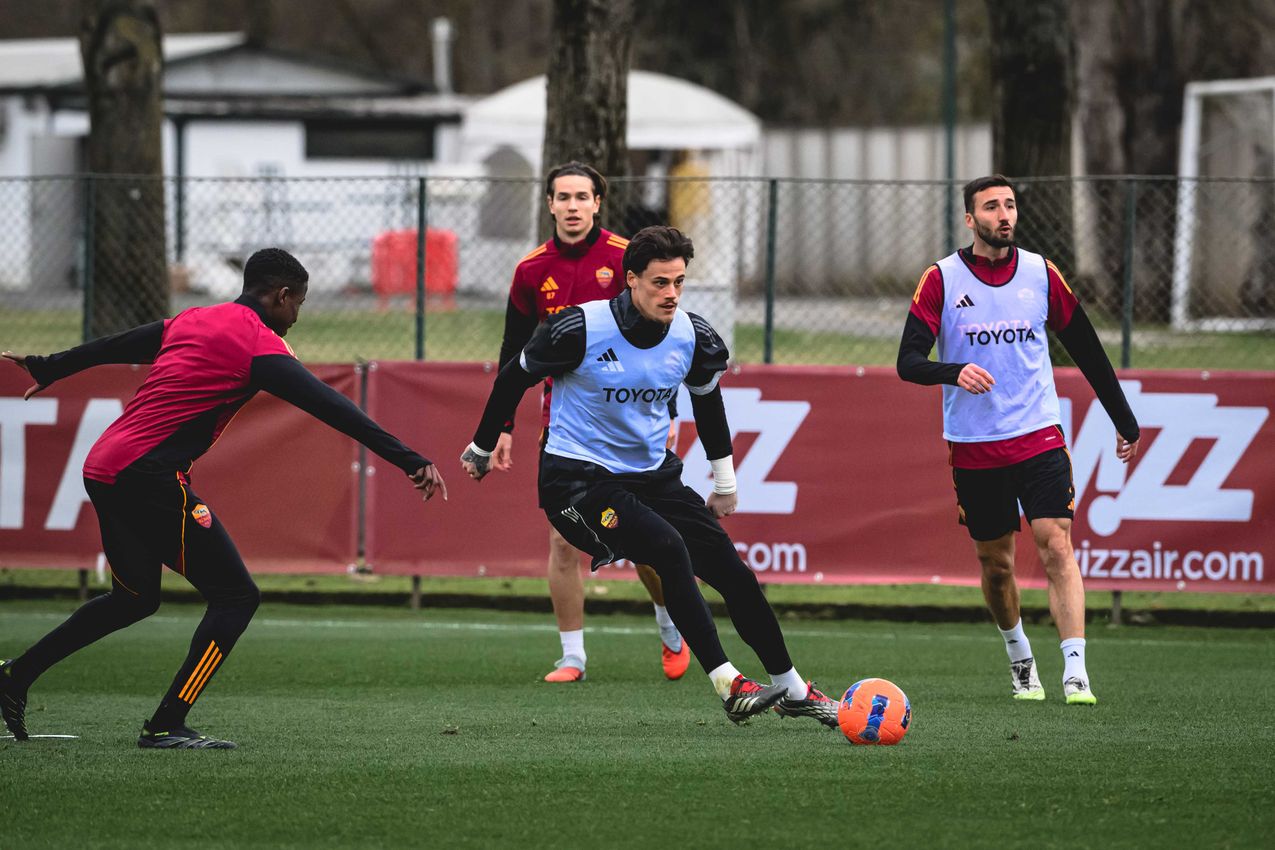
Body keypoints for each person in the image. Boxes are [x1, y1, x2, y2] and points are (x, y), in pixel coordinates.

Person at [0, 248, 446, 748]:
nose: (296, 317)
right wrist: (409, 459)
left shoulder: (194, 319)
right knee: (237, 596)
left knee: (134, 598)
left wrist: (50, 366)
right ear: (281, 296)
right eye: (297, 304)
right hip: (145, 475)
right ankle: (166, 724)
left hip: (104, 466)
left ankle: (16, 675)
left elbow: (120, 344)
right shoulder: (259, 345)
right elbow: (333, 408)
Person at [462, 225, 838, 726]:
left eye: (679, 282)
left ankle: (792, 688)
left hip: (653, 476)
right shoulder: (579, 329)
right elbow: (513, 376)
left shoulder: (692, 336)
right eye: (660, 283)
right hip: (576, 482)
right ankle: (728, 684)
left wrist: (725, 482)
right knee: (666, 547)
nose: (671, 294)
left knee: (735, 574)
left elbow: (709, 405)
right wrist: (482, 445)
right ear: (631, 279)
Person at [897, 175, 1140, 705]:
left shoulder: (1041, 273)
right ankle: (1020, 658)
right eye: (991, 207)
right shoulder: (941, 279)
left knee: (1057, 544)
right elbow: (908, 362)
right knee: (997, 564)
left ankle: (1076, 672)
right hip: (974, 444)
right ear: (970, 219)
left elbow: (1087, 348)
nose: (1004, 215)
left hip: (1039, 435)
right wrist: (953, 371)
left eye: (1009, 205)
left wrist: (1124, 419)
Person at [495, 161, 688, 683]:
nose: (573, 206)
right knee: (564, 537)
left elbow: (664, 338)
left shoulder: (627, 257)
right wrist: (503, 426)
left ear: (598, 203)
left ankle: (670, 623)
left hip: (630, 418)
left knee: (645, 536)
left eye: (583, 196)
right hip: (566, 421)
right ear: (550, 204)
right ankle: (572, 657)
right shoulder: (531, 270)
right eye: (564, 197)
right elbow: (514, 353)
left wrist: (669, 409)